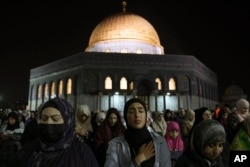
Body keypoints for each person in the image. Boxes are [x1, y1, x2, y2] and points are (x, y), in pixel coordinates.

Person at [12, 97, 99, 167]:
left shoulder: (82, 153)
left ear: (67, 121)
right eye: (44, 118)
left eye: (55, 119)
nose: (49, 123)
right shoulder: (27, 151)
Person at [104, 98, 171, 167]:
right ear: (126, 117)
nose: (137, 115)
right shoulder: (116, 144)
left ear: (146, 116)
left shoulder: (159, 142)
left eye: (141, 111)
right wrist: (138, 160)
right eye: (132, 112)